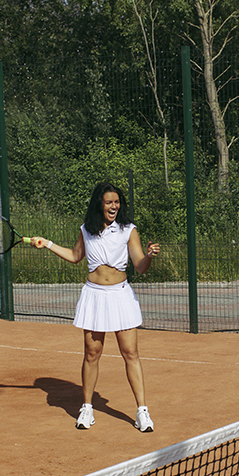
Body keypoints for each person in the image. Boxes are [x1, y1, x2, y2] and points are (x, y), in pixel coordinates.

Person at [33, 182, 161, 432]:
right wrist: (47, 243)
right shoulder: (87, 230)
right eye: (109, 202)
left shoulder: (128, 230)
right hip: (94, 296)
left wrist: (148, 257)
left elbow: (140, 267)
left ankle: (142, 411)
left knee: (130, 353)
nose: (114, 206)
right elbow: (74, 256)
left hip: (121, 296)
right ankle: (87, 408)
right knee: (92, 354)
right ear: (99, 204)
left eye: (117, 202)